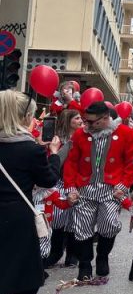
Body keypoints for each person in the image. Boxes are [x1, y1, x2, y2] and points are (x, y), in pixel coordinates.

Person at [0, 92, 63, 294]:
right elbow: (49, 180)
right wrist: (53, 155)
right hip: (17, 219)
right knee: (26, 281)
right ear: (22, 115)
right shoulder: (30, 149)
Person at [64, 100, 133, 281]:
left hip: (111, 189)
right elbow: (71, 162)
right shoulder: (80, 135)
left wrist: (123, 185)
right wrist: (71, 187)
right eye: (85, 121)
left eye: (91, 122)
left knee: (109, 226)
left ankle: (102, 256)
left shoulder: (125, 133)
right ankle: (84, 263)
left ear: (105, 118)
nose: (86, 125)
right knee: (81, 228)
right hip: (84, 188)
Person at [47, 108, 82, 266]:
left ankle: (72, 255)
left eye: (81, 118)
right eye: (76, 118)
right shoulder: (57, 140)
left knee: (75, 219)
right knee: (58, 219)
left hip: (77, 183)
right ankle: (56, 251)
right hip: (60, 182)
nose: (80, 121)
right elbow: (56, 160)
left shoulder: (84, 138)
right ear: (68, 121)